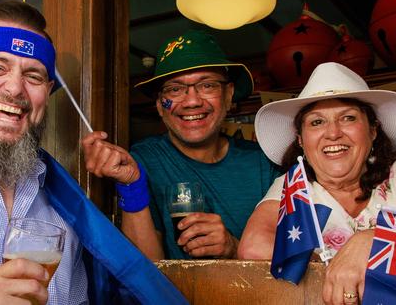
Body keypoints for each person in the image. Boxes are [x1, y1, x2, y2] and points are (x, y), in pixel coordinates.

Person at [0, 0, 185, 305]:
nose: (14, 88)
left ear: (48, 91)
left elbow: (143, 285)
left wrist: (132, 188)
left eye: (34, 76)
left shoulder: (63, 203)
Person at [237, 62, 396, 305]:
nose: (333, 133)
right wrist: (340, 263)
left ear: (373, 130)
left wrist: (369, 240)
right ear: (300, 139)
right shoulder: (292, 186)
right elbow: (253, 248)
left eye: (348, 118)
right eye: (317, 122)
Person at [82, 29, 281, 260]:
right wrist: (131, 185)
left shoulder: (264, 163)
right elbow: (147, 271)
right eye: (175, 89)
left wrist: (234, 248)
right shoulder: (145, 160)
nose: (192, 101)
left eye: (207, 85)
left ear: (229, 95)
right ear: (159, 105)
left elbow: (298, 260)